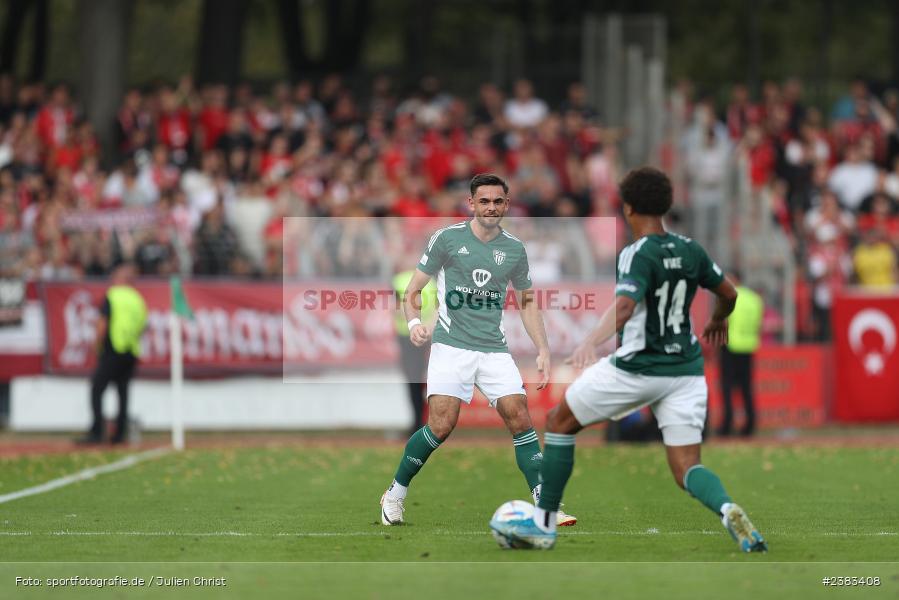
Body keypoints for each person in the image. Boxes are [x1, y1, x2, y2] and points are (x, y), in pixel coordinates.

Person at [491, 167, 767, 552]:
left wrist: (591, 339)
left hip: (638, 367)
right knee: (687, 466)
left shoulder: (637, 252)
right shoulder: (691, 249)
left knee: (558, 422)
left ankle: (544, 524)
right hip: (685, 371)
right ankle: (728, 509)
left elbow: (623, 306)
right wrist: (718, 320)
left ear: (629, 207)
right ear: (667, 205)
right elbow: (729, 293)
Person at [379, 173, 576, 527]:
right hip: (451, 347)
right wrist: (413, 325)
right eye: (484, 201)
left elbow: (527, 300)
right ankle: (395, 493)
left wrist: (543, 348)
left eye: (497, 201)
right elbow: (412, 291)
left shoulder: (514, 249)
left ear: (506, 204)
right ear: (471, 204)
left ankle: (546, 504)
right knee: (441, 425)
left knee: (519, 416)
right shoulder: (447, 239)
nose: (491, 207)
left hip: (494, 350)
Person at [77, 263, 148, 444]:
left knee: (96, 389)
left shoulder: (113, 296)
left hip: (113, 349)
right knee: (122, 393)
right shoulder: (137, 299)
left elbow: (103, 323)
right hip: (131, 351)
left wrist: (97, 344)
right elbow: (142, 326)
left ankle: (97, 431)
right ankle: (119, 434)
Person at [392, 264, 438, 436]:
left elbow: (395, 309)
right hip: (428, 335)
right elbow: (437, 310)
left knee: (413, 382)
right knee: (425, 380)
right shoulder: (431, 281)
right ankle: (426, 423)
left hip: (408, 337)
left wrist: (413, 324)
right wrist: (426, 327)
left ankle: (417, 425)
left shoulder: (398, 281)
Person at [717, 272, 764, 437]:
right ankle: (750, 425)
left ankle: (727, 425)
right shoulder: (754, 299)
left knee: (727, 388)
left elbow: (723, 321)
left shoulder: (729, 296)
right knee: (746, 389)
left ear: (734, 280)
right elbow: (758, 323)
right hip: (749, 347)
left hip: (731, 346)